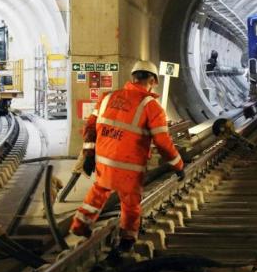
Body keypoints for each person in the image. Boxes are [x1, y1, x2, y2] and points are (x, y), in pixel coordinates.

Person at [70, 61, 185, 252]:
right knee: (131, 204)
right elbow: (163, 143)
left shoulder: (108, 97)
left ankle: (79, 225)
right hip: (130, 166)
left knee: (99, 191)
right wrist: (178, 165)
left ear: (133, 77)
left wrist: (89, 153)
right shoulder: (152, 107)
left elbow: (90, 126)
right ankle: (127, 241)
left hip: (104, 161)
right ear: (152, 80)